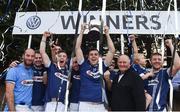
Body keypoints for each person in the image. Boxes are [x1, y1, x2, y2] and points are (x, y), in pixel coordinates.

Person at [75, 24, 115, 111]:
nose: (93, 56)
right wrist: (81, 31)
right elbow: (77, 47)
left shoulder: (103, 65)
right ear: (88, 57)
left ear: (99, 57)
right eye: (91, 55)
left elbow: (112, 51)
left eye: (96, 54)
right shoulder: (83, 64)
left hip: (100, 104)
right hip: (84, 103)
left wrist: (107, 34)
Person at [142, 39, 180, 111]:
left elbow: (177, 65)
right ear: (150, 61)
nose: (157, 61)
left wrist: (171, 46)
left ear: (162, 62)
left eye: (159, 59)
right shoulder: (144, 74)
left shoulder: (165, 72)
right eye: (154, 59)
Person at [40, 31, 69, 111]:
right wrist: (44, 37)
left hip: (63, 104)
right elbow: (42, 52)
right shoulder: (51, 66)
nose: (62, 57)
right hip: (51, 103)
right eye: (60, 56)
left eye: (64, 56)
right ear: (56, 57)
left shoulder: (68, 70)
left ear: (67, 59)